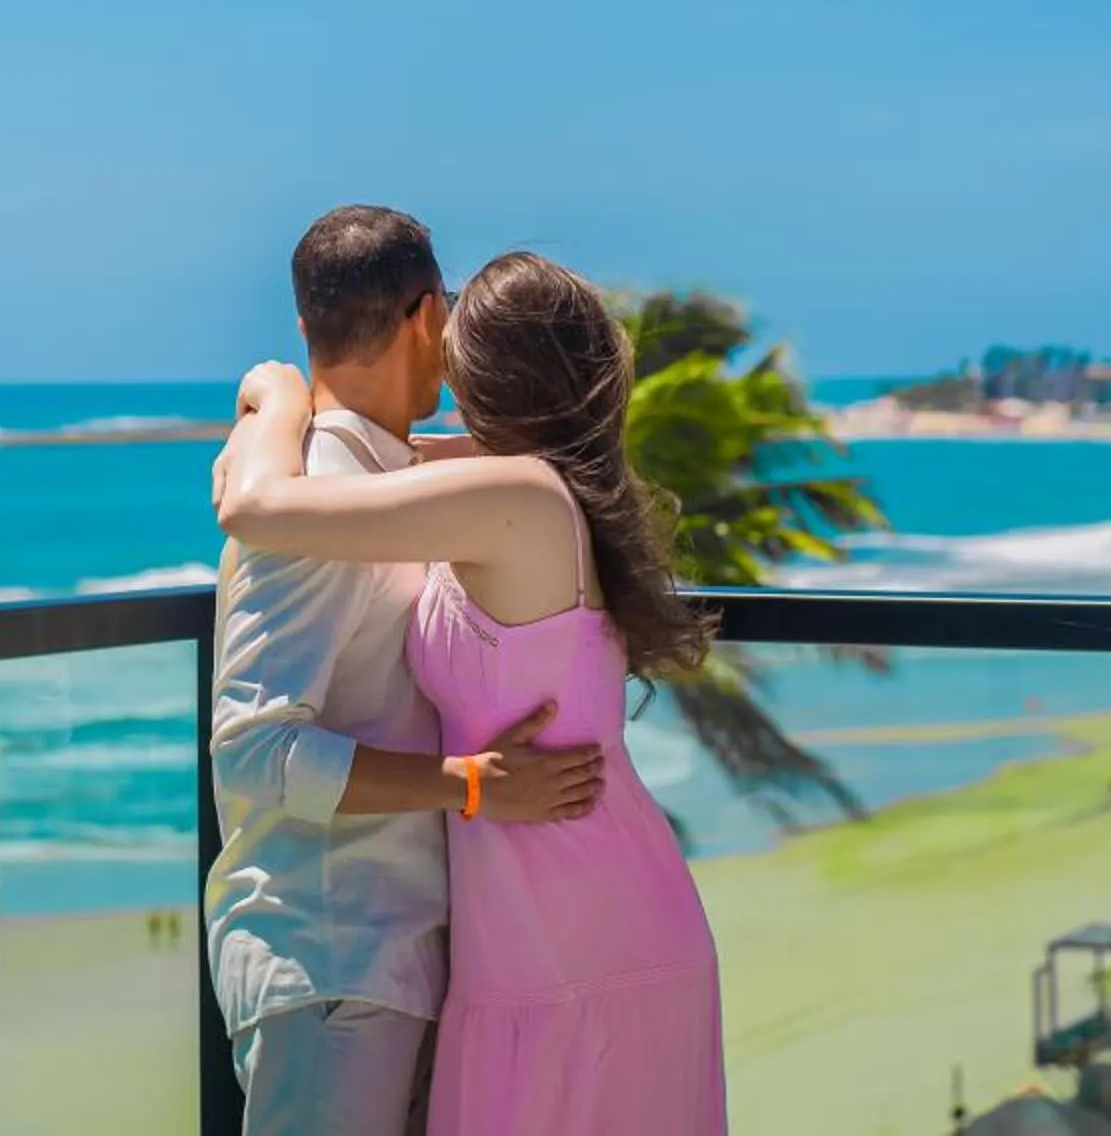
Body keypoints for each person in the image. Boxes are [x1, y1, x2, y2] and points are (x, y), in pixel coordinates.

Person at [214, 249, 727, 1136]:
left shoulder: (515, 493)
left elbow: (255, 506)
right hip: (524, 922)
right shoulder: (526, 480)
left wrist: (281, 395)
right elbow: (331, 471)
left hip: (578, 920)